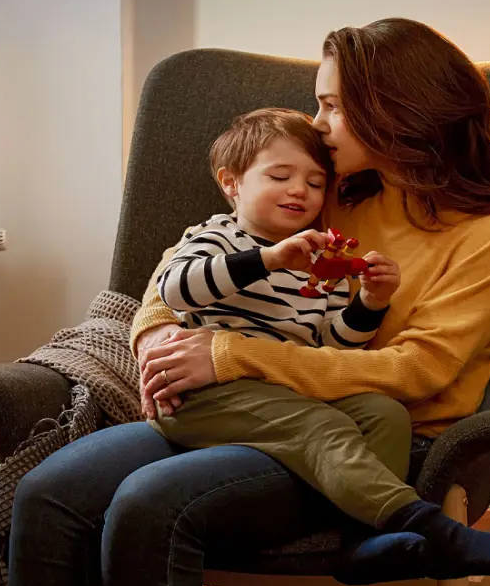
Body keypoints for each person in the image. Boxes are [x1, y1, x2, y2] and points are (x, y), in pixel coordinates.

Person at [9, 18, 490, 586]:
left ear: (396, 109)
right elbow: (188, 261)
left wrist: (230, 355)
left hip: (376, 440)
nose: (317, 125)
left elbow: (417, 371)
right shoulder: (338, 195)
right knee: (47, 491)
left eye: (332, 106)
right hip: (246, 408)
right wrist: (156, 343)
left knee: (149, 503)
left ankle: (387, 526)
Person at [148, 107, 418, 531]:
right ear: (230, 182)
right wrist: (268, 259)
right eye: (279, 177)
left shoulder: (319, 263)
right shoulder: (217, 236)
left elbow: (332, 348)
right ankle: (400, 518)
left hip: (285, 389)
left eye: (315, 183)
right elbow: (176, 290)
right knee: (323, 424)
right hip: (208, 393)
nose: (299, 191)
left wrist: (371, 301)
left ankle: (360, 535)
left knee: (386, 413)